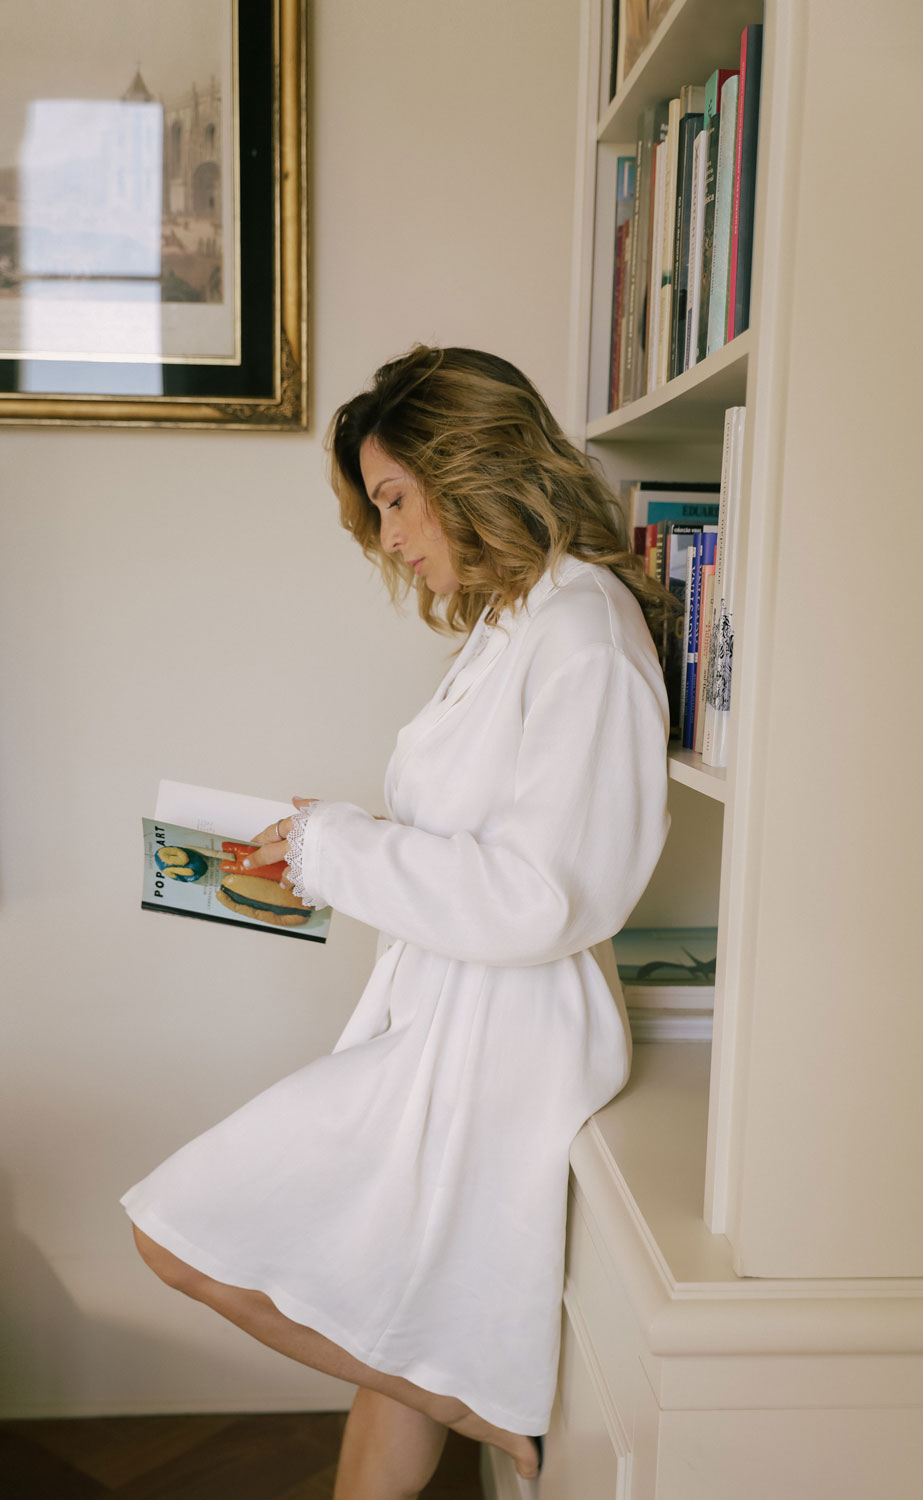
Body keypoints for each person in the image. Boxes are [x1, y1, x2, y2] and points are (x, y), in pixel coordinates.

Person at [122, 345, 672, 1499]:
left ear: (466, 467)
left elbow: (551, 892)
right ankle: (443, 1389)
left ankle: (460, 1400)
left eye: (393, 501)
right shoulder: (516, 621)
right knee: (396, 1314)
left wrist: (337, 850)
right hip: (449, 1020)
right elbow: (485, 842)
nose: (388, 540)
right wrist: (339, 837)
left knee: (174, 1236)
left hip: (501, 1045)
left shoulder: (583, 628)